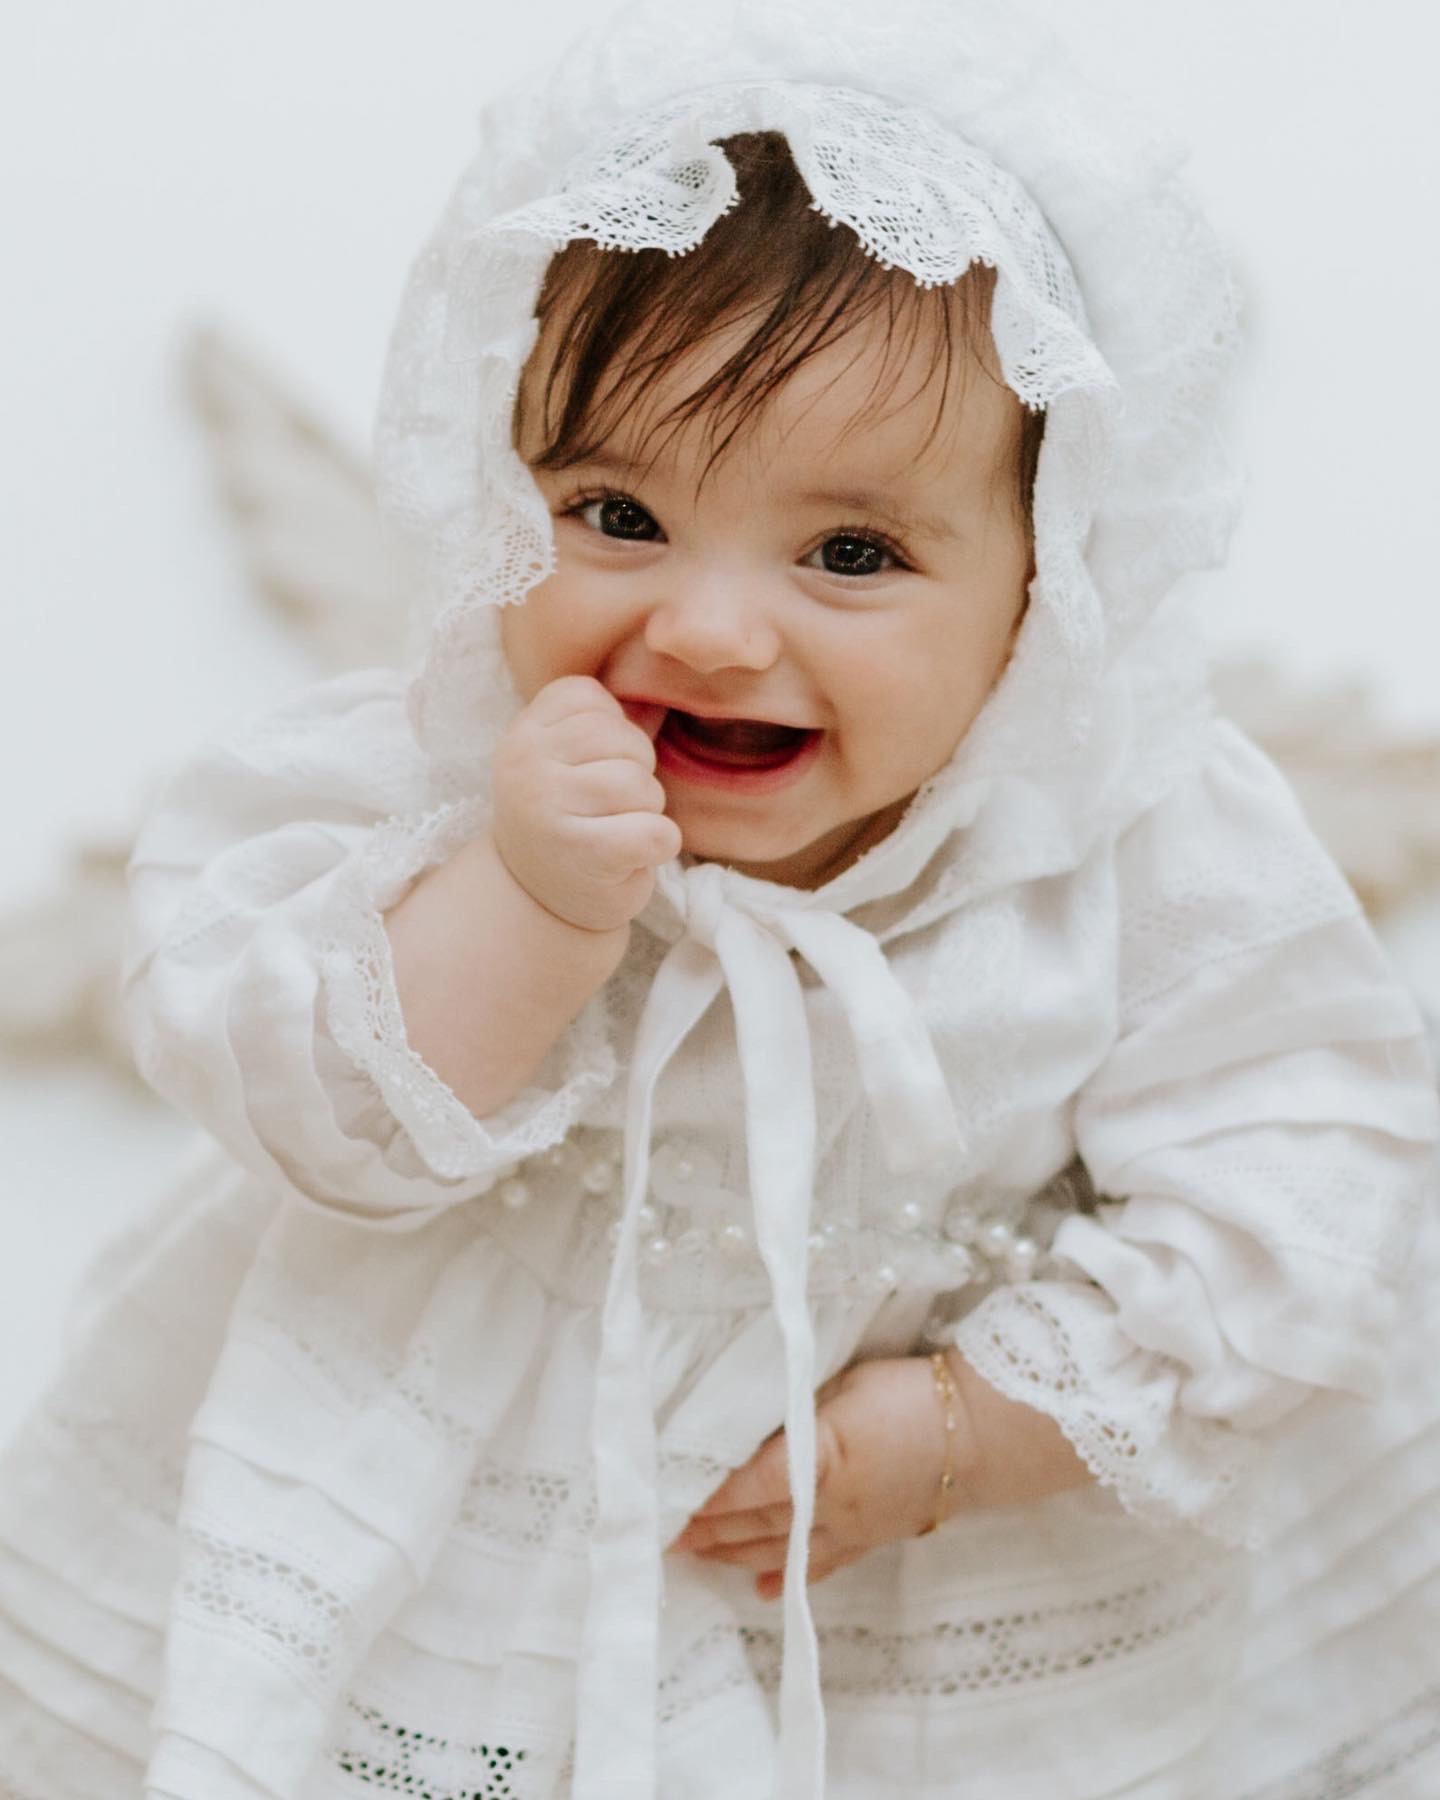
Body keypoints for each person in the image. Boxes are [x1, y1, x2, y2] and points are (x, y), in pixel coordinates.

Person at [2, 2, 1437, 1796]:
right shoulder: (432, 777)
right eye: (614, 512)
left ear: (1049, 582)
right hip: (458, 1502)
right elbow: (322, 1119)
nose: (706, 627)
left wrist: (976, 1427)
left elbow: (1312, 1162)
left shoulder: (1130, 834)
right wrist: (523, 904)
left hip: (941, 1561)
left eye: (852, 554)